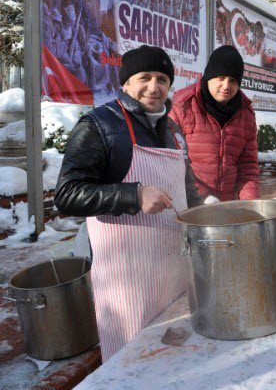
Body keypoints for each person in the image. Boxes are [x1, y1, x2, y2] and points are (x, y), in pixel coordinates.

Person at [54, 45, 202, 361]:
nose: (154, 86)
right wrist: (133, 195)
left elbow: (186, 187)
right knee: (130, 360)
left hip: (171, 266)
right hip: (126, 276)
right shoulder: (98, 125)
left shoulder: (173, 129)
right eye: (144, 77)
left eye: (162, 78)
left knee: (169, 354)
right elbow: (67, 195)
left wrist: (205, 211)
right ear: (125, 83)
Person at [170, 45, 259, 201]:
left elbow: (248, 168)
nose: (226, 86)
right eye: (221, 78)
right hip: (190, 204)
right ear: (209, 76)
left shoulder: (246, 114)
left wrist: (249, 204)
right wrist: (203, 198)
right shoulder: (182, 106)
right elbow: (174, 162)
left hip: (228, 208)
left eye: (233, 80)